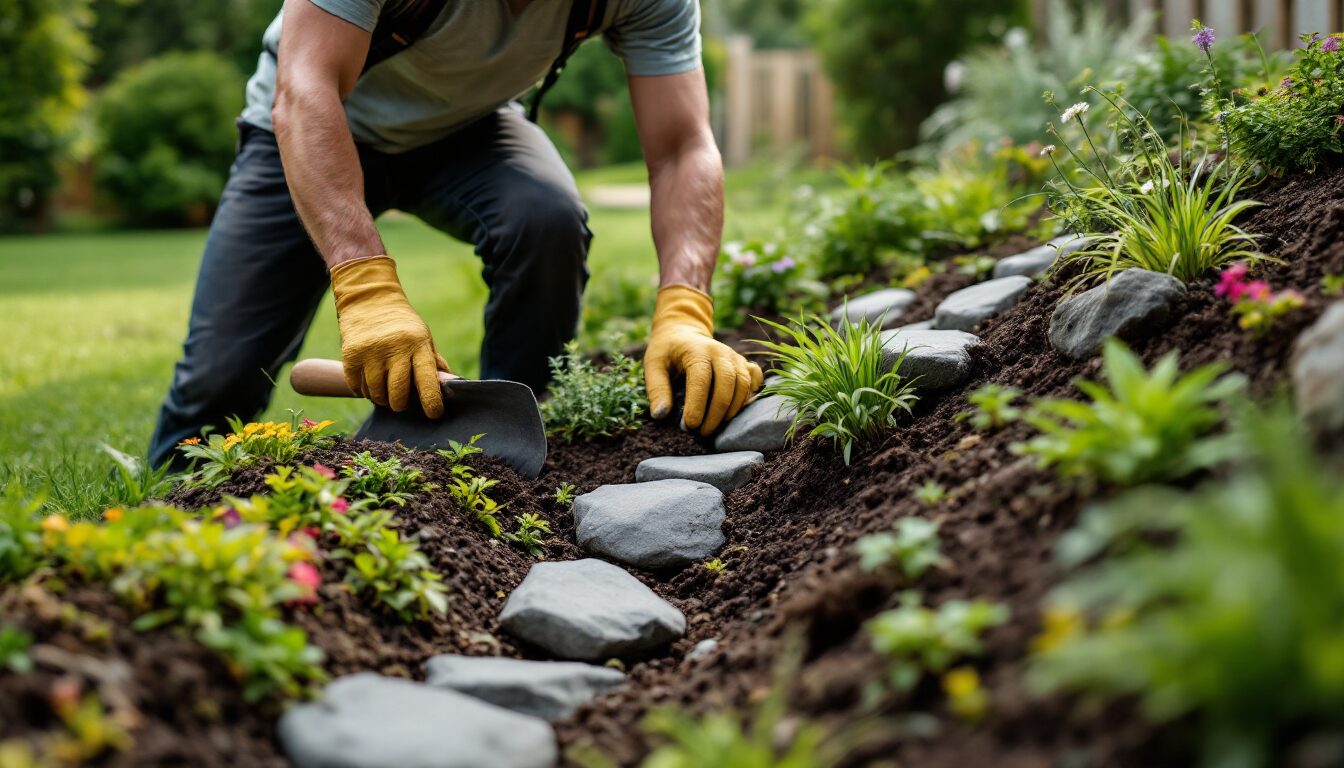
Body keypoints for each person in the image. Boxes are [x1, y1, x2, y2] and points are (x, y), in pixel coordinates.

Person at [147, 0, 763, 469]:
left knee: (545, 219)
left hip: (470, 129)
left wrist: (685, 309)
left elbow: (683, 147)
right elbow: (306, 89)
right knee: (219, 374)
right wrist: (366, 291)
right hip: (315, 126)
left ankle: (510, 450)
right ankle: (168, 506)